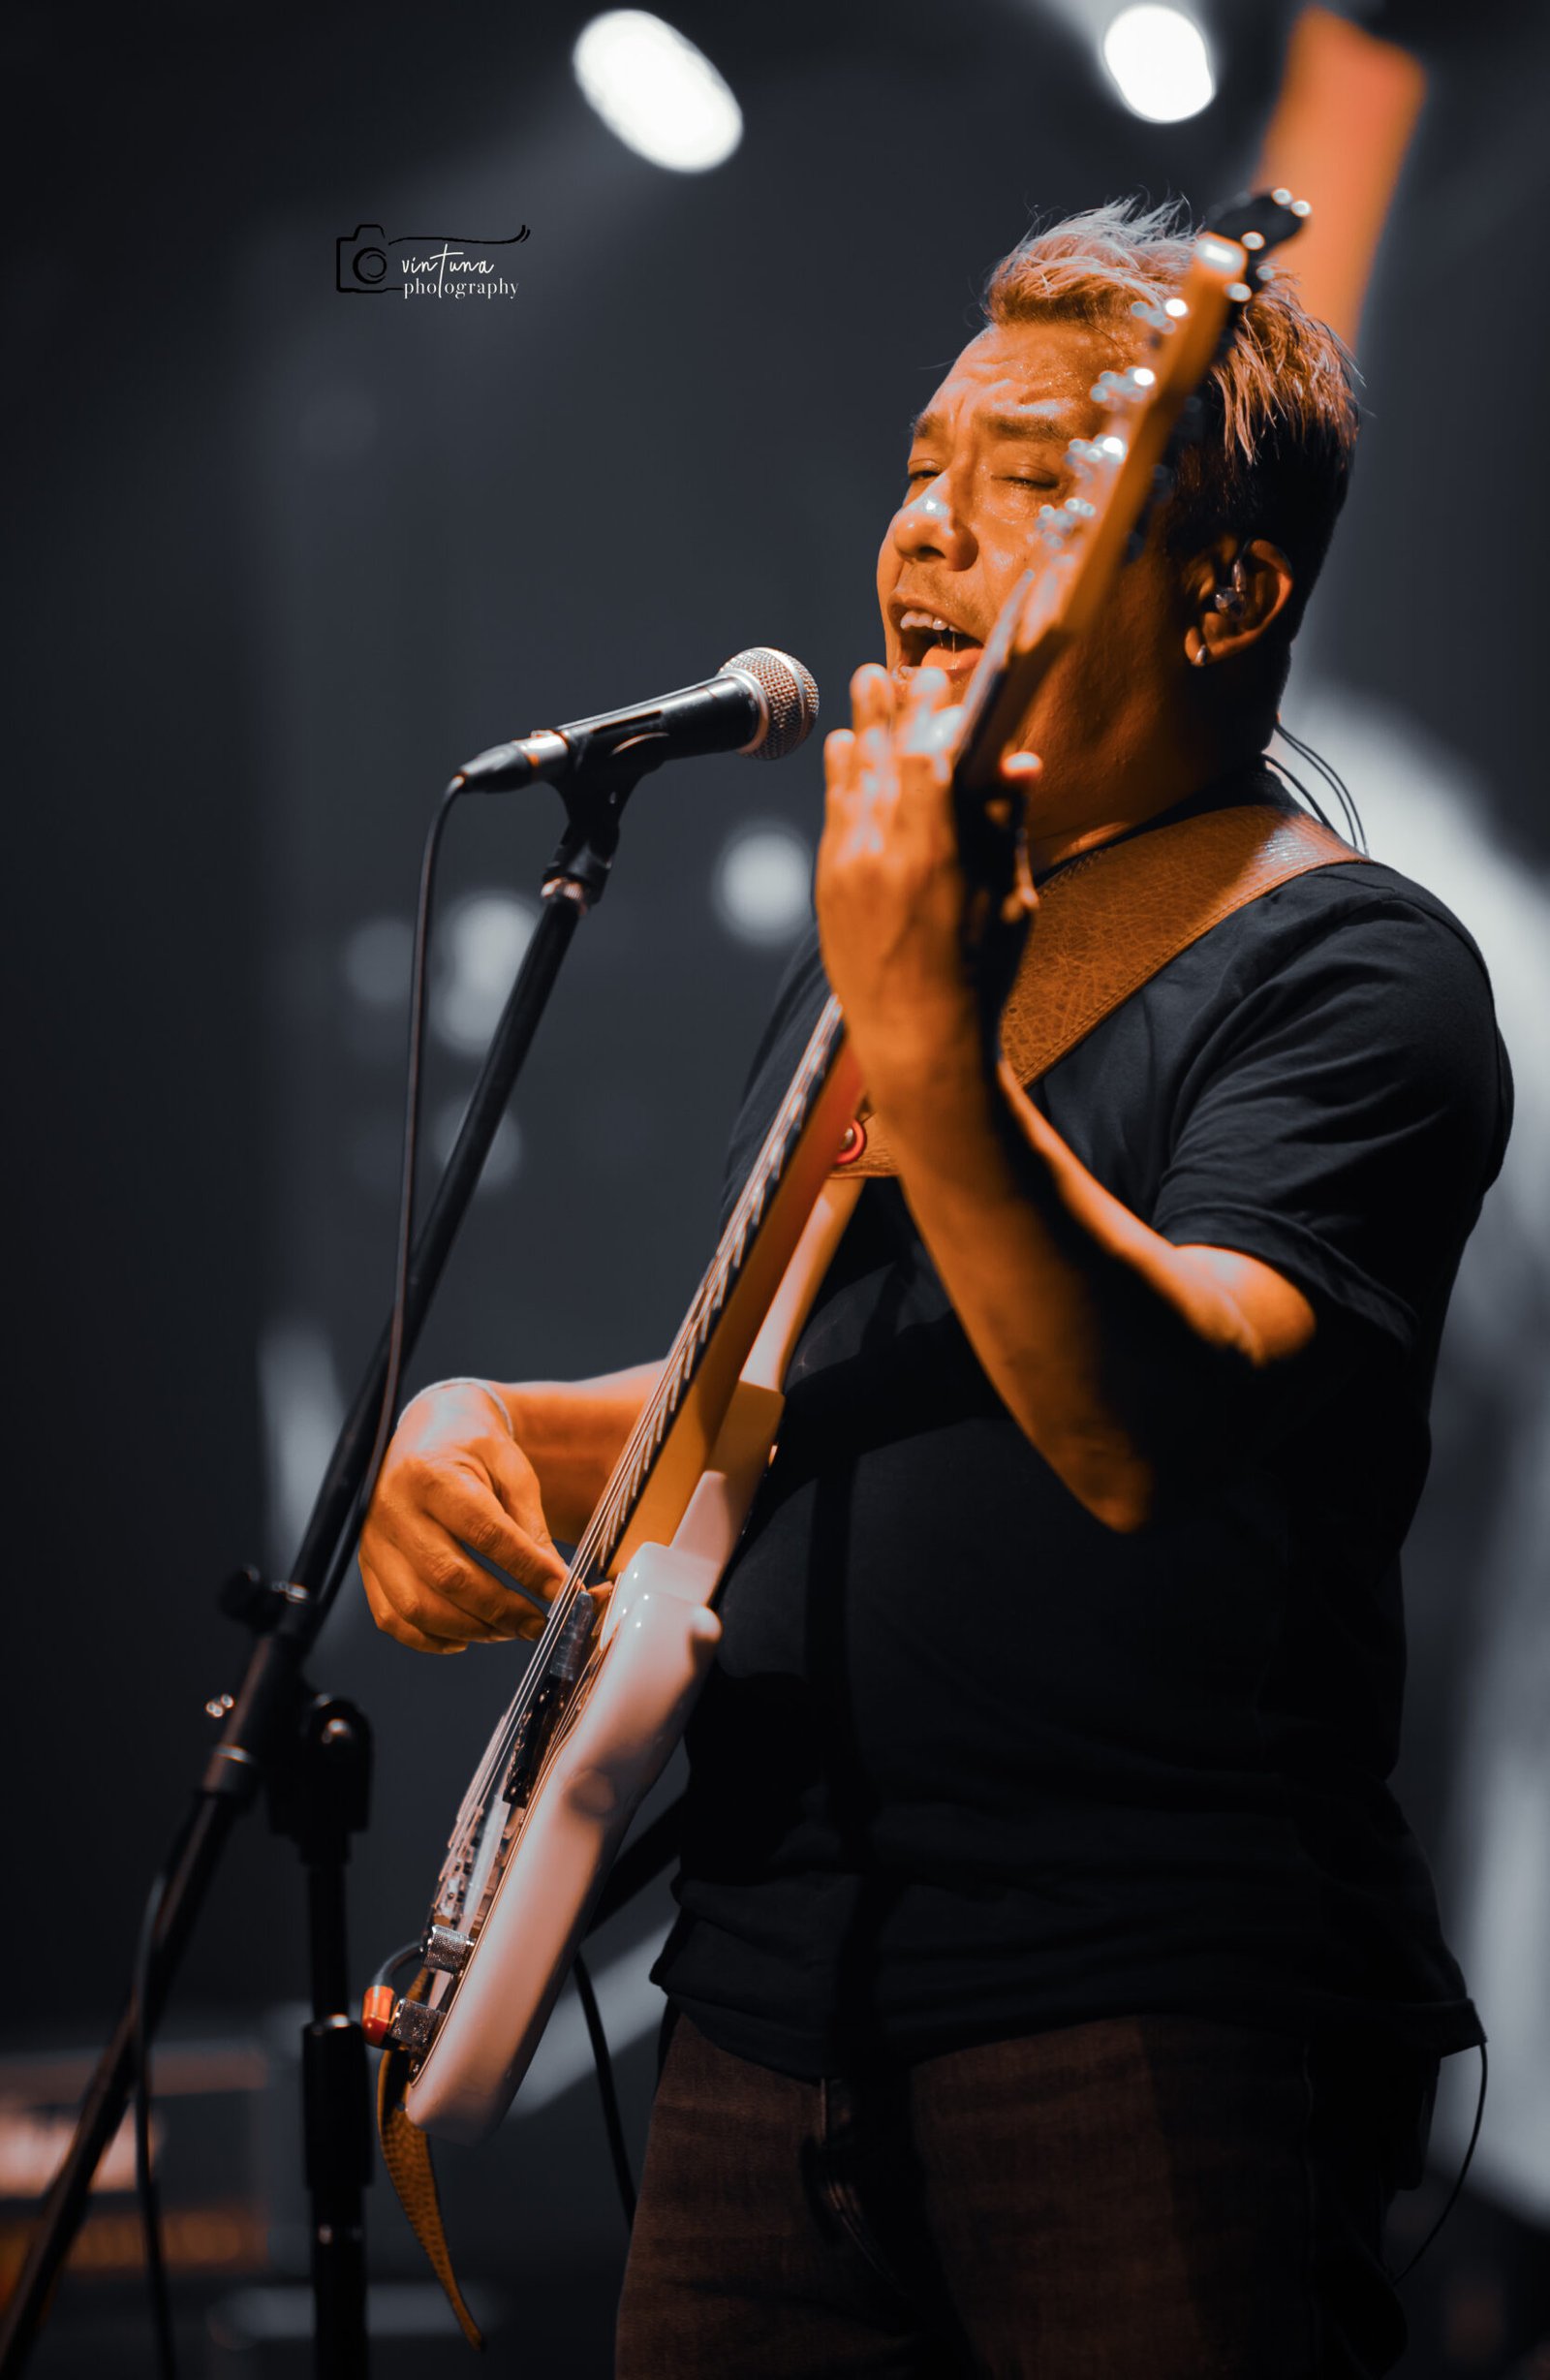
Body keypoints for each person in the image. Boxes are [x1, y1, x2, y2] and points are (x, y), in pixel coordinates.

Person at [359, 204, 1511, 2377]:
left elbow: (1145, 1420)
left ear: (1226, 595)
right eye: (920, 468)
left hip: (1141, 2024)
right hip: (763, 2004)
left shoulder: (1356, 973)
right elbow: (821, 1379)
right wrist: (491, 1423)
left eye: (1026, 480)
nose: (927, 526)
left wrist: (927, 1041)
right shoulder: (879, 971)